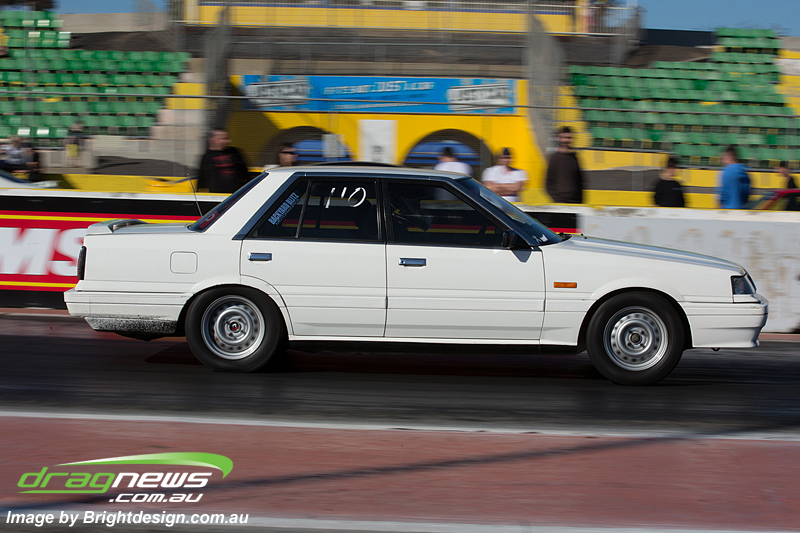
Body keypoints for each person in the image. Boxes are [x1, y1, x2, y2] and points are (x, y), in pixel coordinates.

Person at [196, 128, 251, 193]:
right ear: (212, 140)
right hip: (217, 195)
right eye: (222, 138)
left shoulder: (234, 153)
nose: (228, 141)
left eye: (227, 138)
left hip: (237, 194)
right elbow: (202, 179)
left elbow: (244, 173)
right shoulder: (207, 157)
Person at [545, 126, 583, 203]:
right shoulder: (554, 158)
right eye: (563, 137)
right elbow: (548, 183)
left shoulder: (575, 158)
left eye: (569, 138)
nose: (566, 140)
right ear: (558, 139)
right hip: (560, 203)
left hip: (575, 203)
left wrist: (580, 200)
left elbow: (580, 181)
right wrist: (557, 199)